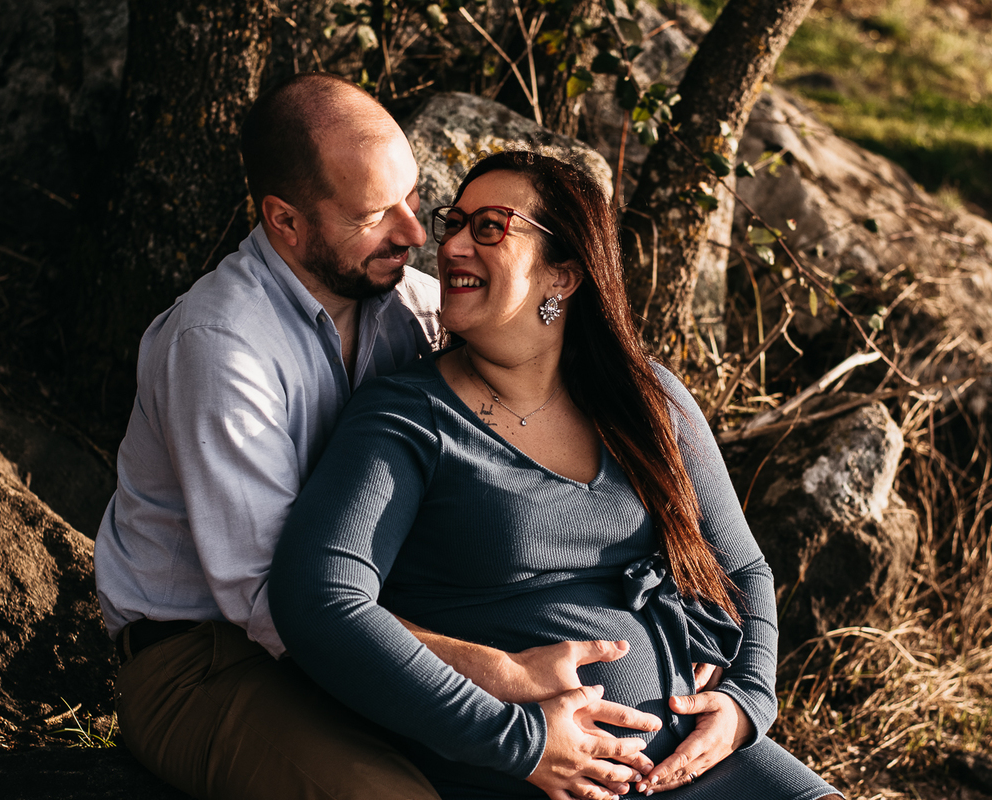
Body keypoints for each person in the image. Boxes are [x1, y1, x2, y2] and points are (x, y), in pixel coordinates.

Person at [93, 75, 654, 800]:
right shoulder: (221, 347)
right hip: (213, 661)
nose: (417, 234)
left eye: (414, 197)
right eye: (373, 214)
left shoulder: (415, 309)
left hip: (374, 630)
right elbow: (277, 608)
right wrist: (500, 680)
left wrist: (680, 639)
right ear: (285, 221)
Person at [269, 151, 843, 800]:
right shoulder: (408, 417)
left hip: (700, 759)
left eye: (489, 227)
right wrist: (518, 741)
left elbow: (743, 571)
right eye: (454, 221)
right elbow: (319, 600)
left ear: (563, 275)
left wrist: (746, 705)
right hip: (535, 774)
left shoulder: (645, 397)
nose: (450, 244)